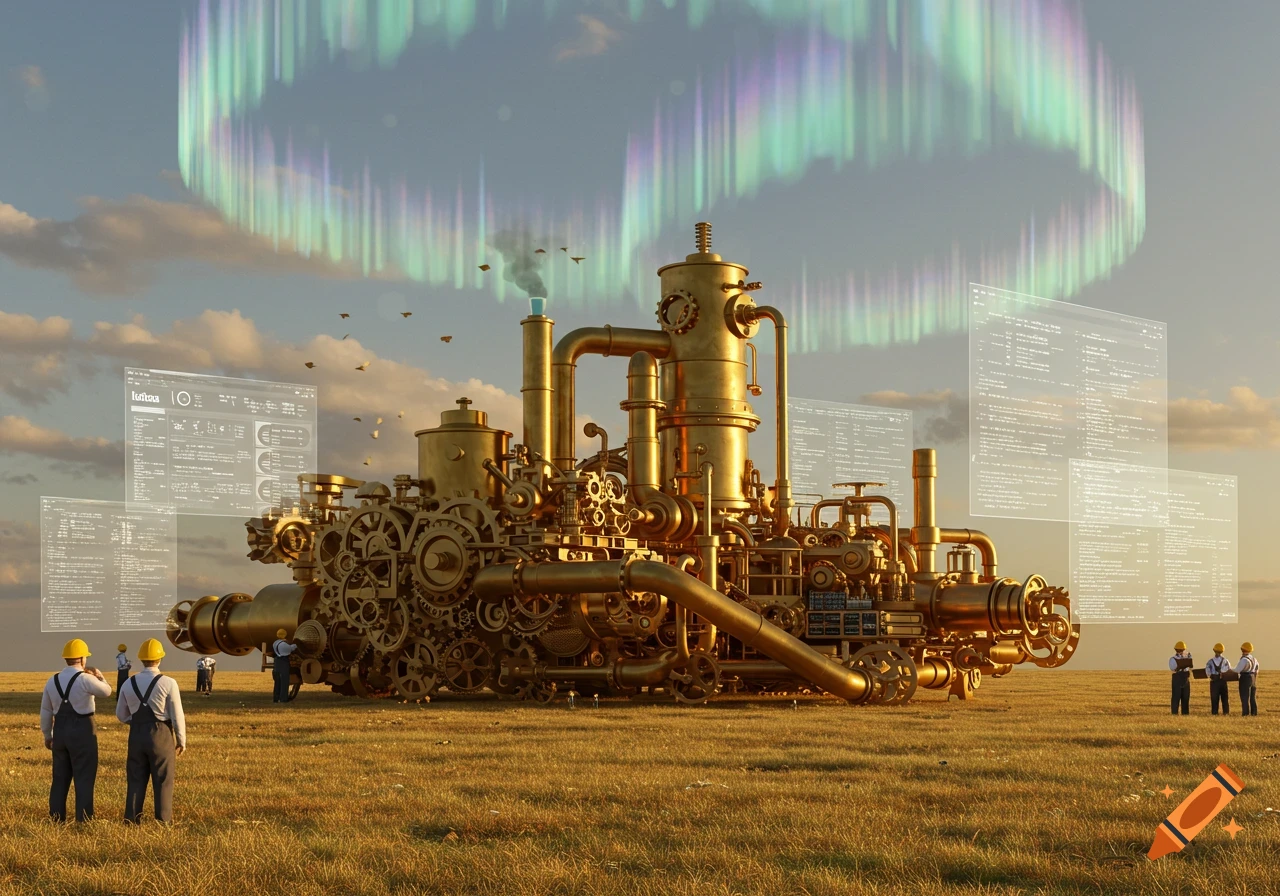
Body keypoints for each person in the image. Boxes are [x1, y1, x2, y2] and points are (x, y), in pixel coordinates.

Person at [40, 638, 112, 823]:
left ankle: (56, 818)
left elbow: (46, 711)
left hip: (61, 730)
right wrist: (99, 676)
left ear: (66, 659)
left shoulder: (52, 680)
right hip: (83, 729)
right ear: (82, 658)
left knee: (59, 779)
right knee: (84, 776)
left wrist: (48, 735)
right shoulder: (86, 679)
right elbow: (106, 692)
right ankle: (84, 819)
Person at [115, 638, 186, 824]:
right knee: (163, 779)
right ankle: (163, 821)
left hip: (136, 733)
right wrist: (181, 740)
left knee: (135, 778)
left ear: (141, 659)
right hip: (161, 733)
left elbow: (121, 714)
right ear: (160, 659)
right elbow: (177, 714)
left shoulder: (128, 683)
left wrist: (137, 723)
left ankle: (131, 820)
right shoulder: (169, 683)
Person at [271, 629, 297, 703]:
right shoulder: (283, 644)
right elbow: (290, 649)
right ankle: (283, 699)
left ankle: (276, 698)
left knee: (277, 682)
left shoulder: (275, 643)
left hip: (277, 662)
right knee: (284, 682)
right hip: (283, 662)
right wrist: (296, 645)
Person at [1206, 643, 1232, 715]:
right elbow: (1229, 669)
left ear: (1214, 650)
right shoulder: (1226, 661)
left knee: (1214, 699)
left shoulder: (1210, 661)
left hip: (1214, 682)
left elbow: (1207, 671)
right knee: (1225, 698)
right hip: (1223, 681)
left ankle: (1214, 713)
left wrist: (1211, 675)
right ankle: (1226, 713)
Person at [1235, 642, 1260, 717]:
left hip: (1245, 678)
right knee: (1252, 697)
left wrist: (1228, 669)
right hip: (1252, 677)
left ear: (1242, 649)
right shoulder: (1254, 659)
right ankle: (1254, 713)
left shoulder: (1244, 660)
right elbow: (1257, 668)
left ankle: (1245, 713)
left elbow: (1237, 670)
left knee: (1244, 697)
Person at [1168, 640, 1193, 715]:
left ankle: (1185, 713)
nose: (1181, 651)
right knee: (1176, 696)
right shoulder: (1173, 659)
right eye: (1180, 650)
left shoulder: (1187, 657)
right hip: (1177, 677)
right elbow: (1173, 668)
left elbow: (1191, 666)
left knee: (1186, 697)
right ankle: (1174, 713)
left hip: (1185, 678)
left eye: (1182, 650)